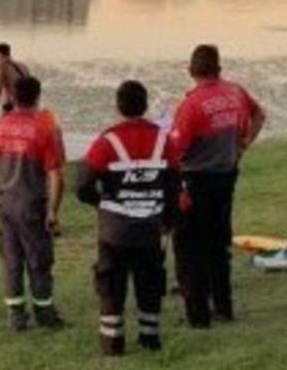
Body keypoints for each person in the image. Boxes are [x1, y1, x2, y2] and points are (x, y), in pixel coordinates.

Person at [77, 80, 180, 356]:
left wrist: (101, 203)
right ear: (145, 106)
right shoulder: (164, 141)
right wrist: (168, 220)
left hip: (114, 230)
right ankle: (150, 338)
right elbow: (173, 187)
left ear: (118, 106)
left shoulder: (107, 142)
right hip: (150, 228)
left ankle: (112, 344)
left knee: (111, 285)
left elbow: (82, 185)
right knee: (150, 284)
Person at [170, 44, 265, 328]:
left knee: (190, 247)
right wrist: (243, 144)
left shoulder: (191, 105)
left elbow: (176, 151)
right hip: (226, 176)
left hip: (197, 179)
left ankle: (197, 312)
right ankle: (223, 306)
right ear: (218, 68)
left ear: (191, 70)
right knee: (217, 244)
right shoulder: (235, 92)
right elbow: (259, 115)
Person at [0, 76, 66, 332]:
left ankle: (16, 316)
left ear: (12, 97)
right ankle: (44, 314)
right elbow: (55, 174)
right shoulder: (43, 129)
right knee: (39, 261)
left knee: (12, 261)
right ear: (37, 96)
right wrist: (53, 210)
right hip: (33, 204)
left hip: (7, 205)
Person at [0, 42, 30, 119]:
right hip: (25, 103)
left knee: (6, 125)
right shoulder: (23, 66)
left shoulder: (2, 67)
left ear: (0, 54)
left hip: (10, 104)